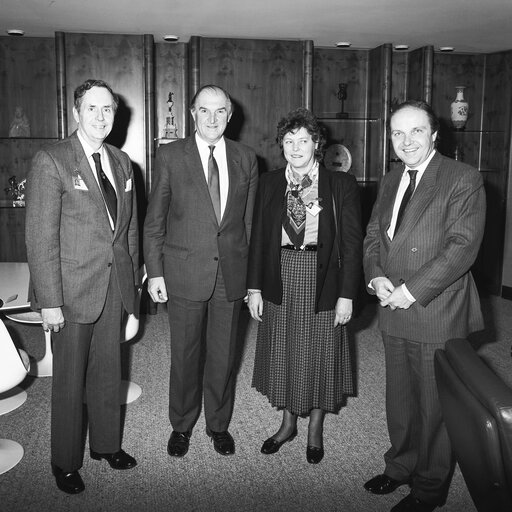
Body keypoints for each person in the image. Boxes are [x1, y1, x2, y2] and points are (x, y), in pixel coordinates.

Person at [363, 100, 486, 512]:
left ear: (435, 134)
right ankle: (400, 466)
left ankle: (429, 489)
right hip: (390, 303)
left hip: (435, 307)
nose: (406, 140)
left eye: (416, 131)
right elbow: (373, 236)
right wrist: (376, 274)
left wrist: (411, 291)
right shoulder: (391, 177)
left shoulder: (462, 178)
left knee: (434, 406)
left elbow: (462, 248)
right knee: (400, 398)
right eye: (398, 133)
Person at [25, 79, 139, 494]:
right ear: (76, 112)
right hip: (70, 292)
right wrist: (49, 302)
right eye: (92, 108)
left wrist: (132, 284)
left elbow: (128, 232)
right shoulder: (52, 159)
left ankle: (106, 446)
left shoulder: (123, 162)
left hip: (113, 286)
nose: (101, 116)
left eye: (108, 109)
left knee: (109, 373)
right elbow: (40, 239)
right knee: (70, 381)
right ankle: (65, 461)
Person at [144, 84, 258, 458]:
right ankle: (181, 425)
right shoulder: (170, 155)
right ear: (192, 114)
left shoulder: (246, 158)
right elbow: (154, 220)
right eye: (204, 111)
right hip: (183, 272)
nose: (212, 119)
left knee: (224, 356)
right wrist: (155, 271)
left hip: (230, 274)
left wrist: (253, 281)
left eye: (220, 111)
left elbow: (250, 225)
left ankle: (218, 424)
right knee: (185, 356)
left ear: (230, 115)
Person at [247, 107, 362, 464]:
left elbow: (352, 243)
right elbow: (258, 241)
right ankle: (287, 424)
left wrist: (346, 295)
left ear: (317, 143)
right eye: (288, 140)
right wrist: (254, 288)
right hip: (280, 273)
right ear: (281, 145)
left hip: (322, 276)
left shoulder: (340, 184)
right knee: (284, 350)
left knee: (319, 353)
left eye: (303, 140)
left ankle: (314, 426)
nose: (295, 147)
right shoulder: (268, 183)